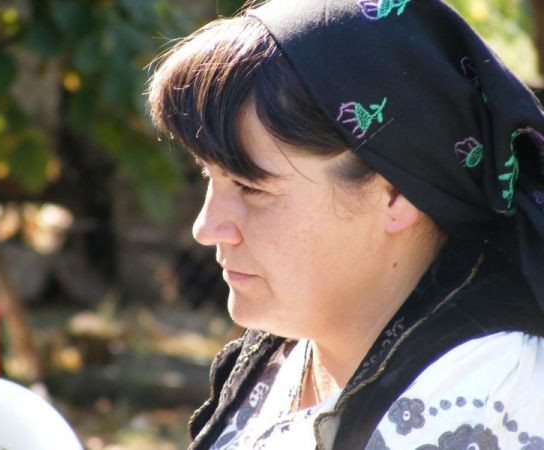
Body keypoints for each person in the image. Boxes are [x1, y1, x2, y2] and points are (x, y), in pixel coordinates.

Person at [147, 0, 544, 448]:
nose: (206, 228)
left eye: (250, 187)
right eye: (208, 175)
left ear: (396, 194)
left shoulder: (489, 395)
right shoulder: (285, 352)